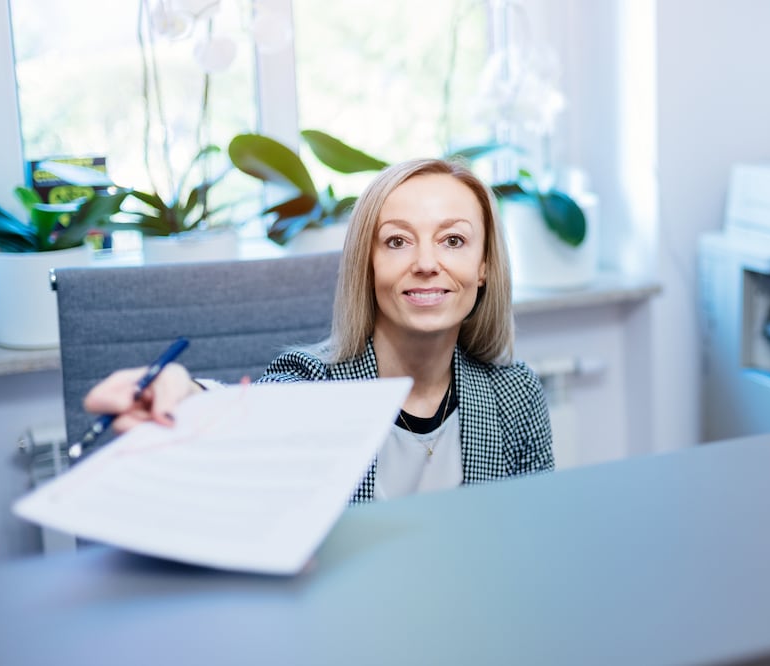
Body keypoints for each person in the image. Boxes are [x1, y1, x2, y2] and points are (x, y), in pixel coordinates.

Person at [82, 157, 555, 502]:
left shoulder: (515, 396)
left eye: (453, 240)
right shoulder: (311, 385)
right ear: (366, 267)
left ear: (483, 267)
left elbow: (533, 549)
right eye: (397, 241)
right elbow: (249, 418)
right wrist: (185, 395)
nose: (427, 264)